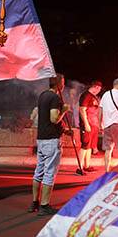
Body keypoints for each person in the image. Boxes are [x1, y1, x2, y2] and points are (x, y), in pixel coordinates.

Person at [31, 74, 68, 215]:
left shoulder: (42, 96)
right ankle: (44, 205)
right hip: (51, 140)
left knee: (38, 172)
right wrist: (63, 111)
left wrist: (63, 129)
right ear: (60, 84)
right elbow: (53, 119)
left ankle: (35, 202)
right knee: (49, 173)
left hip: (41, 138)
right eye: (63, 82)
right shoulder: (55, 98)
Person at [78, 80, 103, 172]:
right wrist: (86, 124)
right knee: (85, 145)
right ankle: (79, 167)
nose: (99, 91)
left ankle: (87, 165)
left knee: (89, 146)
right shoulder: (86, 96)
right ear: (96, 87)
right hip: (88, 124)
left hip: (93, 124)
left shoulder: (93, 97)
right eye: (99, 89)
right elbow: (82, 110)